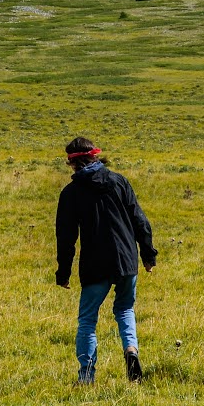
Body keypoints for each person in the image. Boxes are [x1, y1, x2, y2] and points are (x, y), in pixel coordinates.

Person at [55, 136, 156, 384]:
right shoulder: (118, 181)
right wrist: (148, 254)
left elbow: (66, 237)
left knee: (88, 319)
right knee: (125, 309)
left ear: (71, 164)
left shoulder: (71, 192)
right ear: (96, 156)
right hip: (126, 260)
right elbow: (139, 220)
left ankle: (87, 376)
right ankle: (131, 350)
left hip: (94, 264)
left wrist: (64, 272)